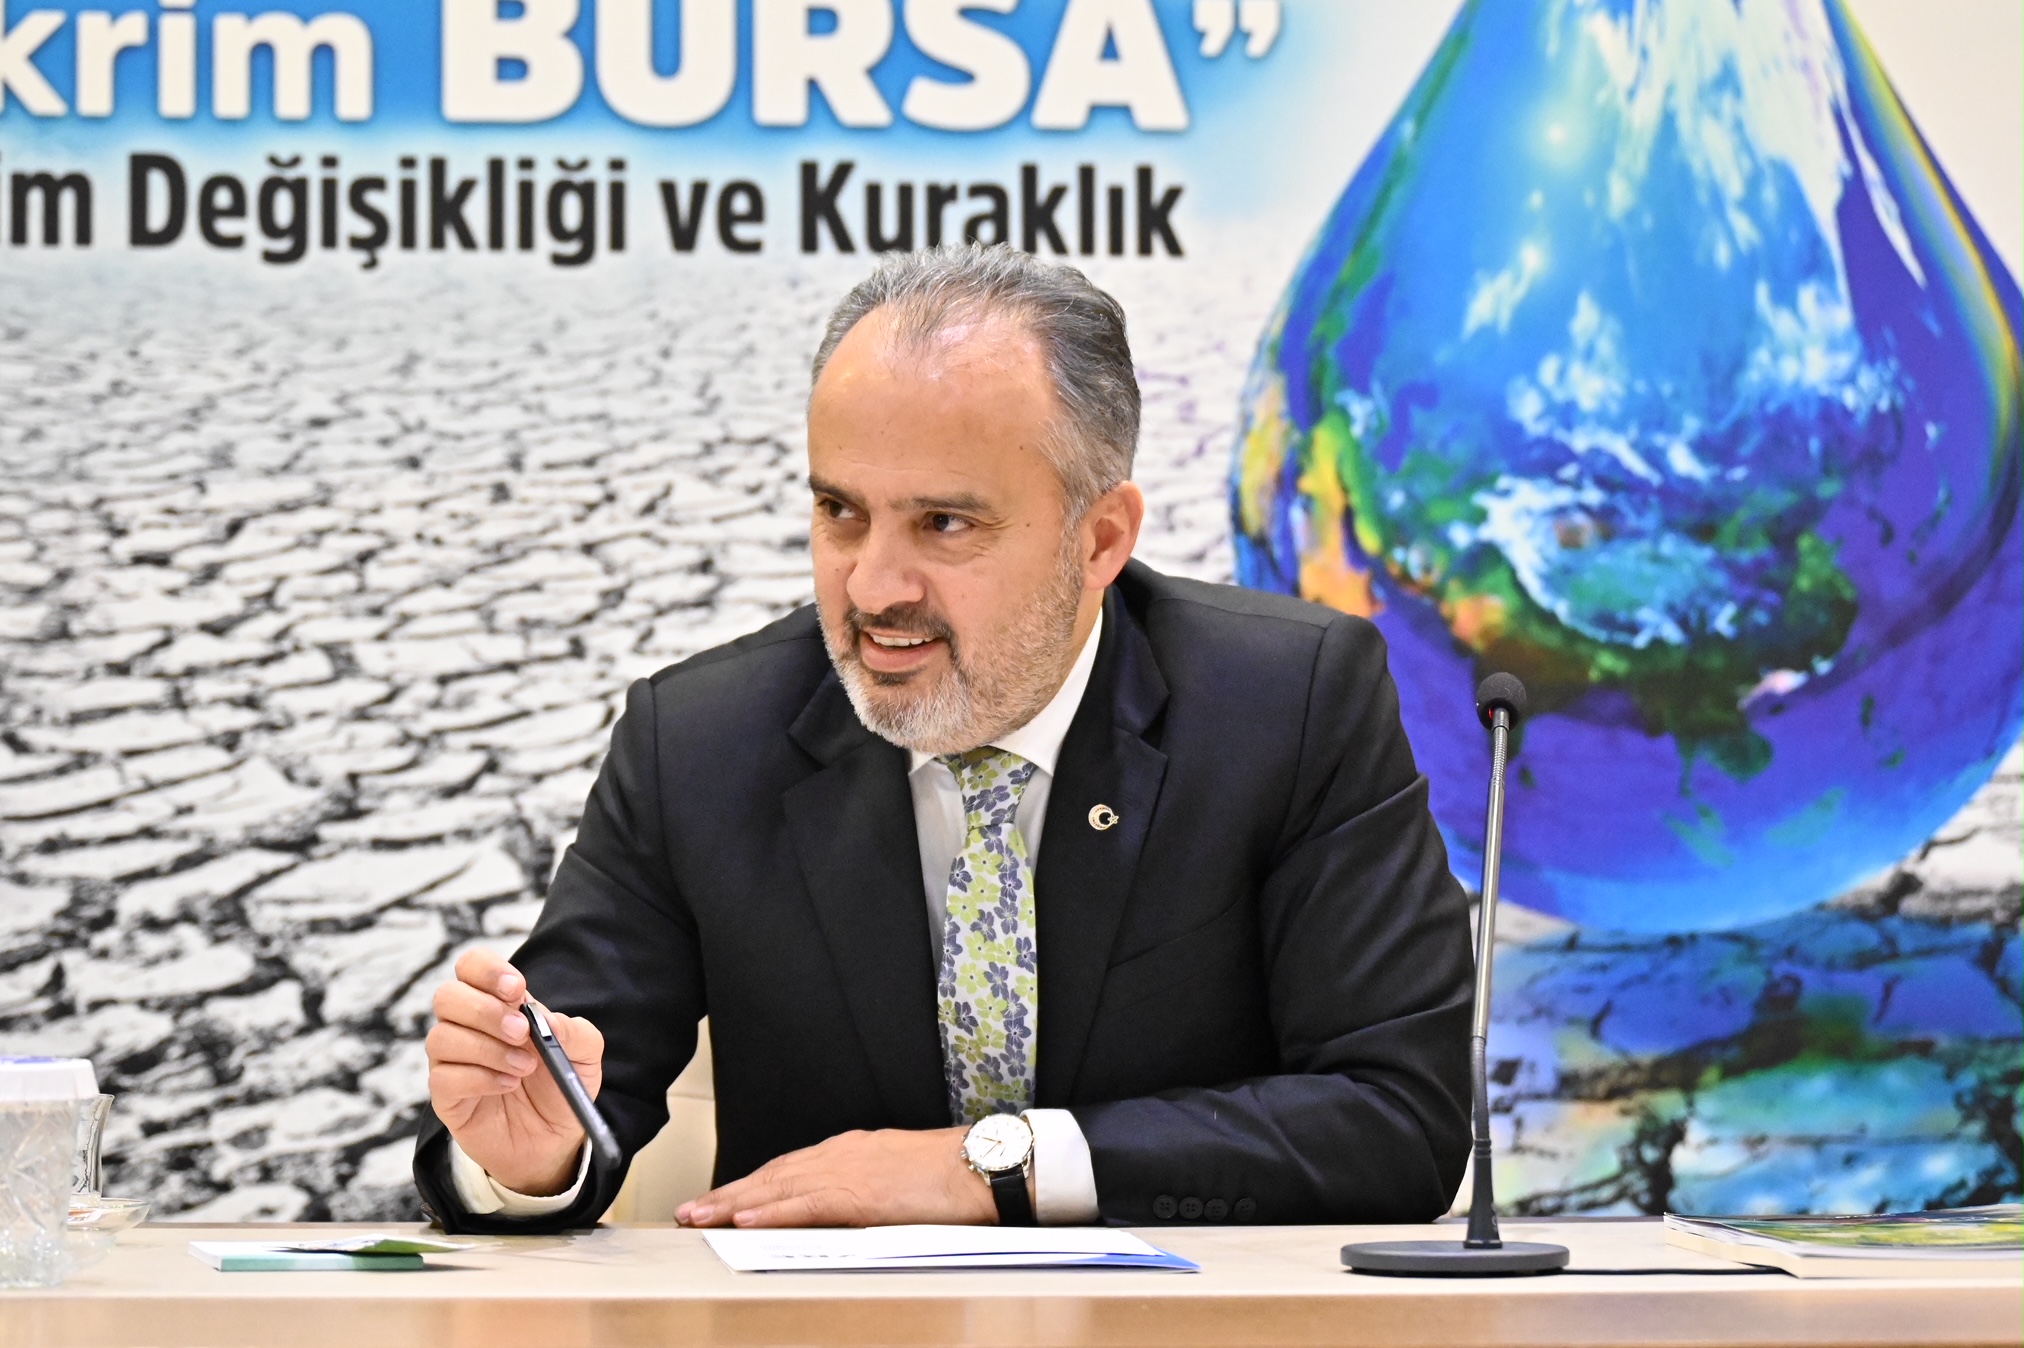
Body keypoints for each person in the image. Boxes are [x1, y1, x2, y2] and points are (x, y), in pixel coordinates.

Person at [413, 244, 1473, 1234]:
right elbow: (563, 1097)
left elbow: (1397, 1117)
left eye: (945, 524)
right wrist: (527, 1159)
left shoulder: (1288, 706)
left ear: (1099, 538)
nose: (874, 587)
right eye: (841, 512)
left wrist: (988, 1167)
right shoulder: (697, 741)